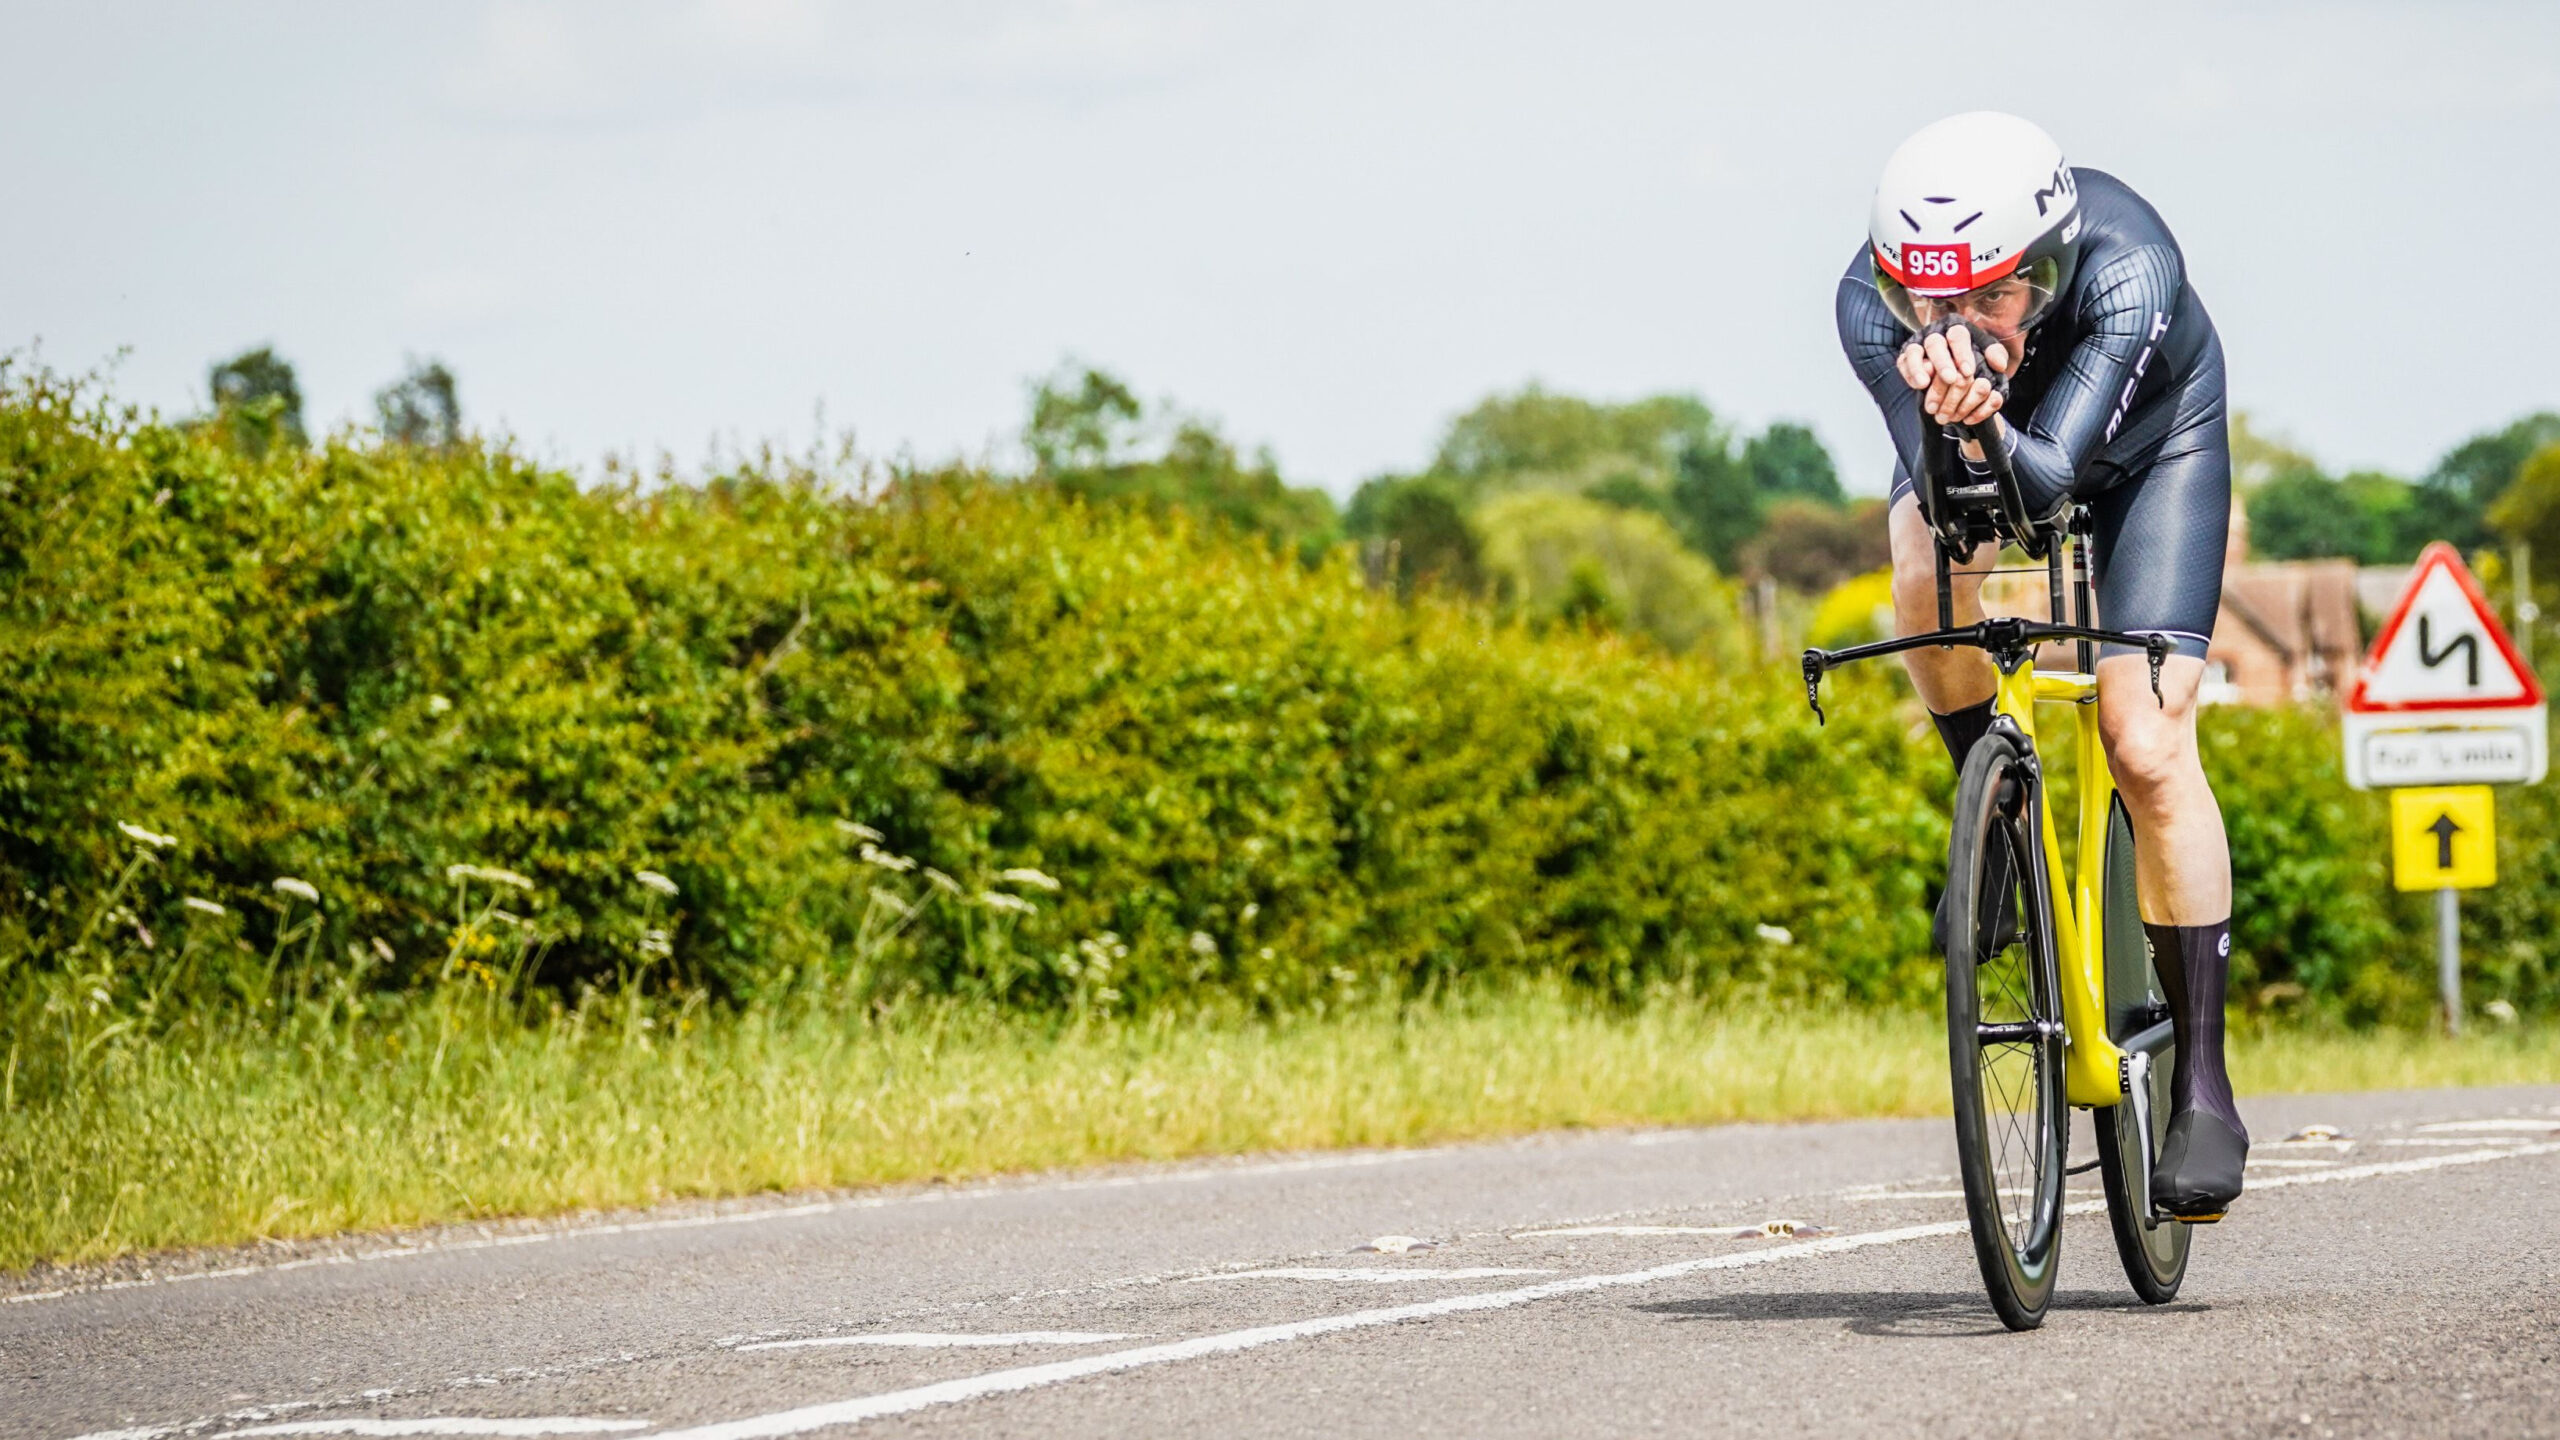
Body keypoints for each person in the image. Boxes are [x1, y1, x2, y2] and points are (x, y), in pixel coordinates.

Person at [1835, 112, 2246, 1218]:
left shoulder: (2129, 271)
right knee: (1920, 578)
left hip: (2149, 448)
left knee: (2144, 743)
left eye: (1993, 300)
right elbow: (1952, 500)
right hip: (1992, 448)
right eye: (1929, 304)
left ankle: (2202, 1082)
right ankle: (2000, 829)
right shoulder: (1870, 314)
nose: (1957, 327)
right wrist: (1955, 425)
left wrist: (1983, 424)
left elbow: (2052, 484)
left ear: (2050, 272)